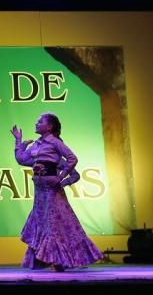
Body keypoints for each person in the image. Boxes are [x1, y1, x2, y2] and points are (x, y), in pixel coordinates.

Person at [12, 113, 103, 271]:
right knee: (43, 224)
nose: (37, 123)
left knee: (53, 225)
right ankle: (54, 261)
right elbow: (22, 160)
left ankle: (58, 262)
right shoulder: (37, 144)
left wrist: (60, 178)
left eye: (40, 121)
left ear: (50, 126)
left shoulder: (54, 142)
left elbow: (72, 159)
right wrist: (19, 141)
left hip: (51, 191)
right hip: (39, 191)